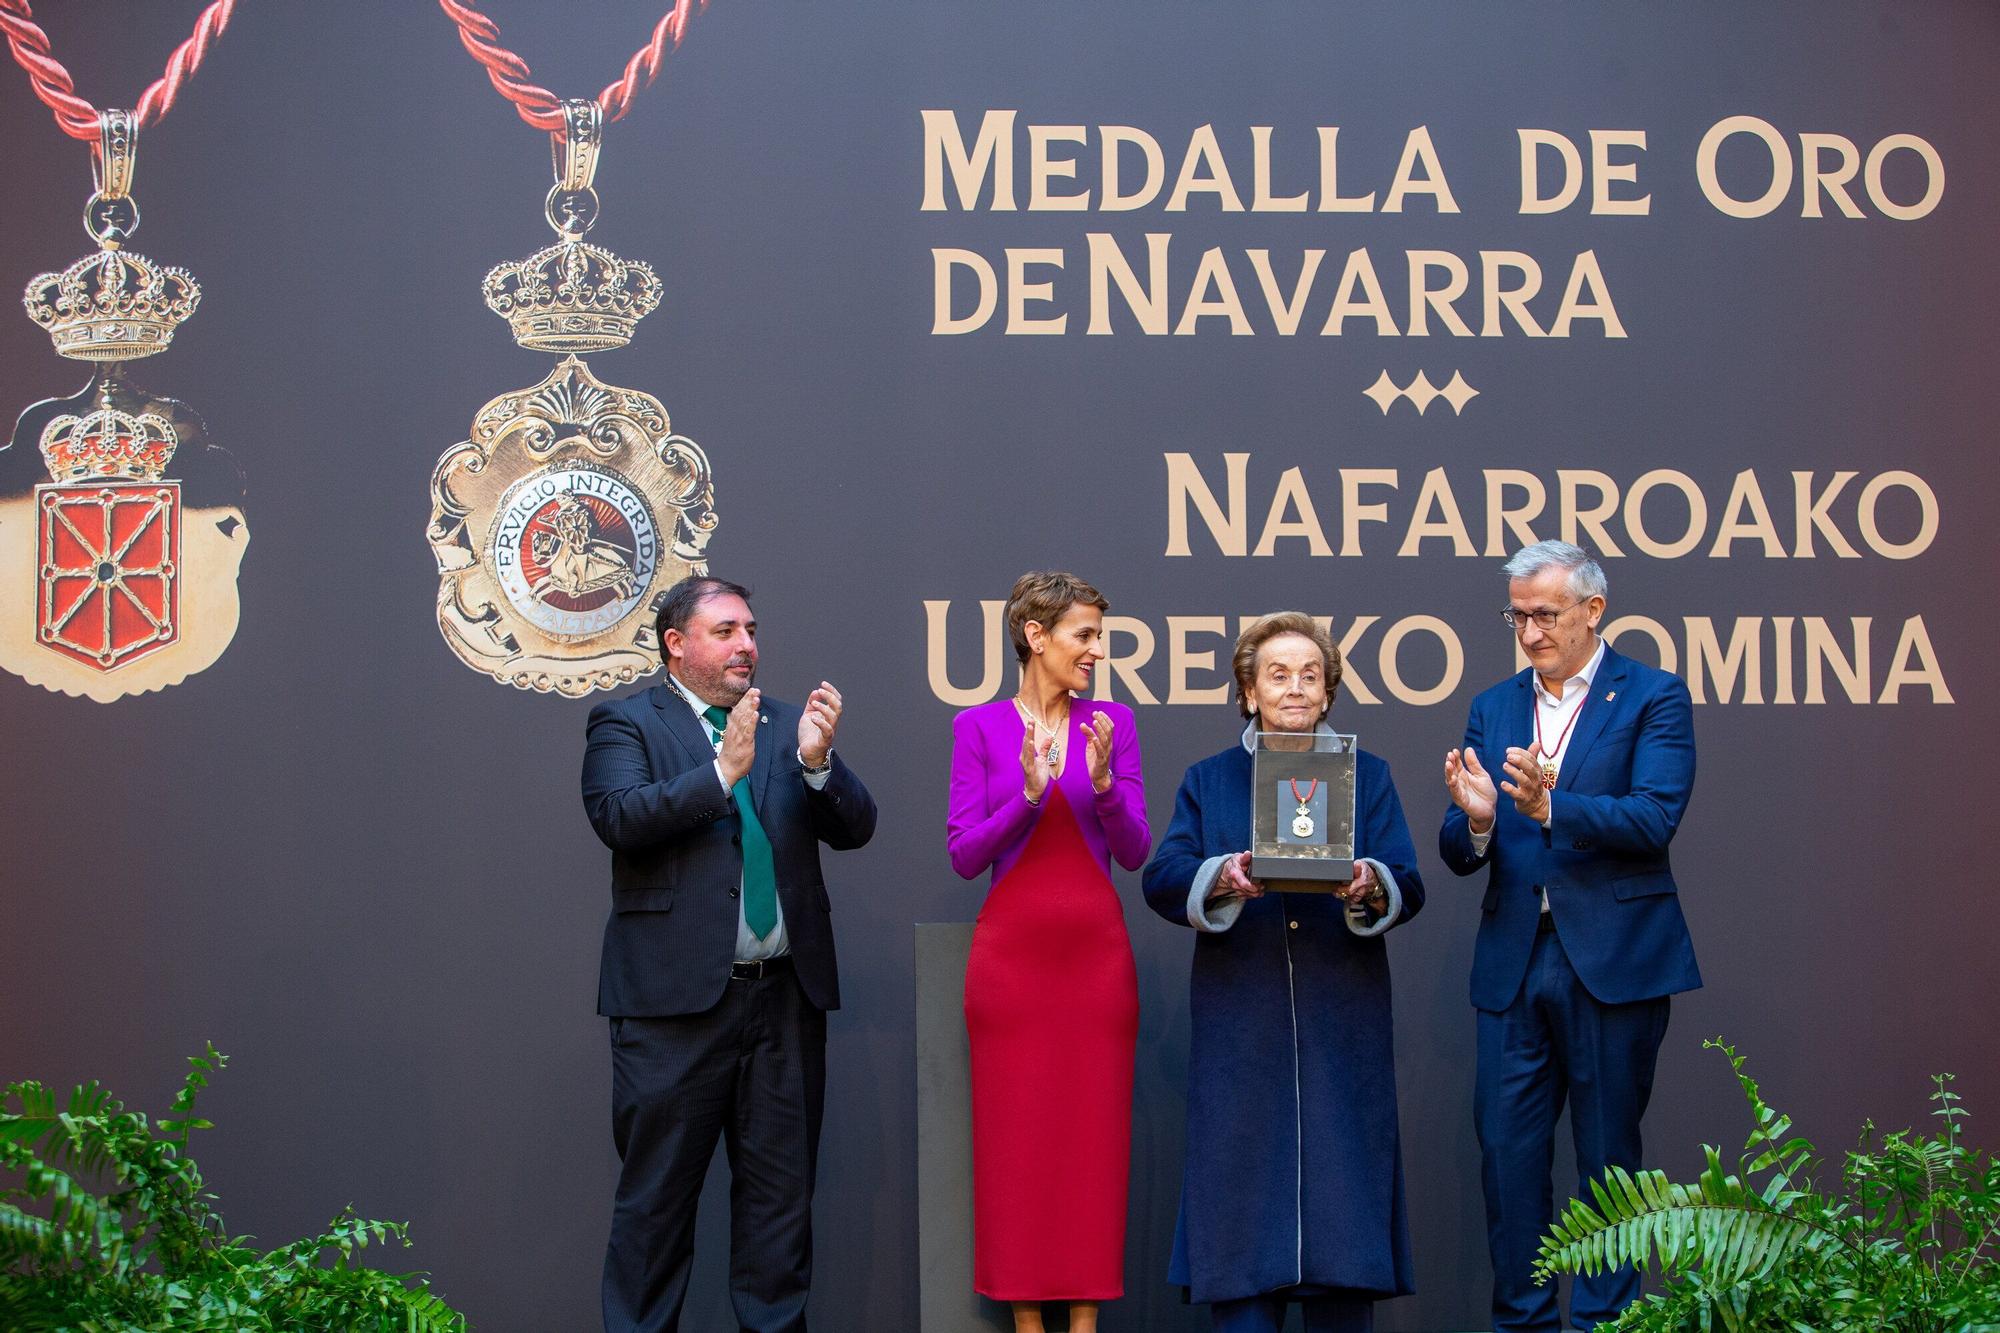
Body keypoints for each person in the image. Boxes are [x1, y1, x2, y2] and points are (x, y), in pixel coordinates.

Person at [580, 575, 877, 1333]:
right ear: (677, 644)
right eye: (725, 631)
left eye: (751, 628)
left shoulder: (786, 723)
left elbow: (857, 827)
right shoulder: (625, 722)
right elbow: (619, 814)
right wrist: (721, 774)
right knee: (654, 1215)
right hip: (673, 1011)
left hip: (782, 1003)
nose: (747, 643)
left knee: (780, 1220)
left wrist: (817, 765)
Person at [1440, 540, 1700, 1333]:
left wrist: (1555, 808)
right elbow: (1457, 845)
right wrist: (1479, 821)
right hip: (1515, 961)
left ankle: (1604, 1324)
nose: (1529, 632)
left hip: (1613, 959)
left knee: (1609, 1169)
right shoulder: (1494, 704)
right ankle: (1522, 1322)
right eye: (1517, 615)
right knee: (1509, 1164)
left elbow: (1655, 815)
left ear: (1594, 609)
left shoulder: (1653, 695)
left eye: (1544, 614)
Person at [1142, 612, 1423, 1333]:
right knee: (1241, 1229)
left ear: (1328, 692)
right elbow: (1164, 875)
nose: (1295, 687)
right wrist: (1226, 874)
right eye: (1277, 673)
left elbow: (1409, 882)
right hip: (1243, 1025)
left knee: (1343, 1220)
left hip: (1343, 1024)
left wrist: (1368, 882)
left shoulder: (1372, 776)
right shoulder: (1209, 779)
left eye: (1310, 674)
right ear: (1248, 690)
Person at [947, 571, 1150, 1333]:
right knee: (1019, 1145)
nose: (1096, 650)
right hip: (1012, 966)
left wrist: (1100, 786)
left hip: (1096, 963)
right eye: (1084, 635)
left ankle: (1086, 1324)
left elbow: (1133, 850)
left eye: (1098, 636)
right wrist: (1028, 797)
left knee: (1092, 1145)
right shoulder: (979, 727)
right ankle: (1028, 1324)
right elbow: (965, 854)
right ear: (1036, 636)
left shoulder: (1114, 725)